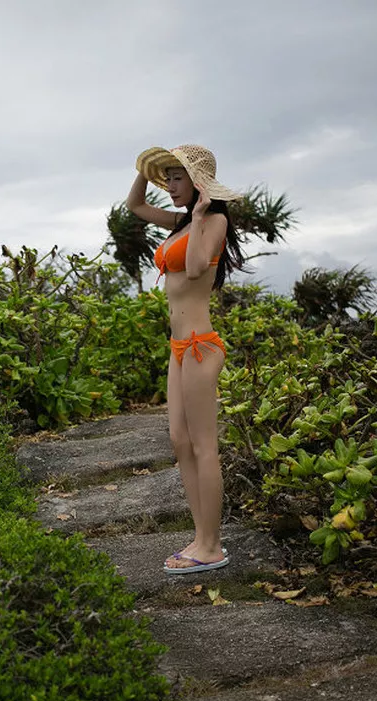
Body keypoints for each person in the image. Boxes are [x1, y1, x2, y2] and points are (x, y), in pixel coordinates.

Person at [126, 144, 250, 574]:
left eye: (179, 178)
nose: (171, 186)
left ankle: (211, 546)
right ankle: (200, 537)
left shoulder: (212, 220)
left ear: (199, 185)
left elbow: (196, 269)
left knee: (203, 447)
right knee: (180, 442)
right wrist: (146, 168)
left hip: (200, 345)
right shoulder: (179, 222)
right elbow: (136, 205)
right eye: (169, 177)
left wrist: (198, 218)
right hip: (178, 349)